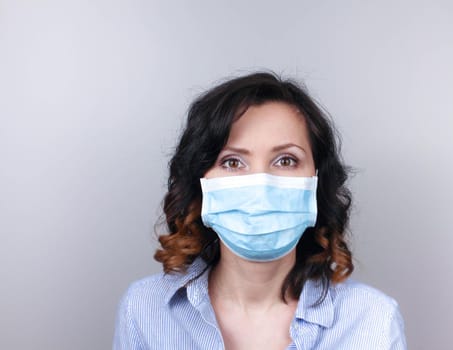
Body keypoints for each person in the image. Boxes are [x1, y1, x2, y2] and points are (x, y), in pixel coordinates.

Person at [113, 72, 407, 349]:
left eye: (286, 160)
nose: (261, 184)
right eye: (232, 162)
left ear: (316, 181)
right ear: (201, 183)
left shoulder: (373, 320)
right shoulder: (145, 309)